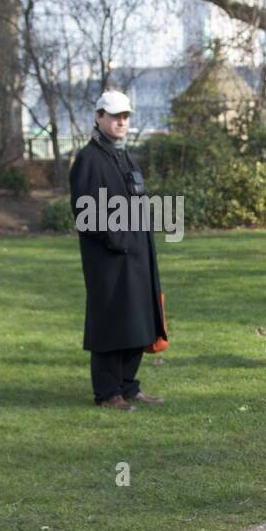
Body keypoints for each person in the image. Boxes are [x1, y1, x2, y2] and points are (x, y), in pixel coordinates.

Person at [69, 90, 165, 411]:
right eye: (114, 116)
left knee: (139, 321)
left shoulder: (124, 155)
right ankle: (108, 393)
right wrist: (121, 240)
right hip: (109, 259)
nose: (121, 122)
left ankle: (128, 386)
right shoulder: (89, 159)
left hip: (138, 256)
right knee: (112, 324)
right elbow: (86, 214)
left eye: (125, 116)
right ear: (99, 117)